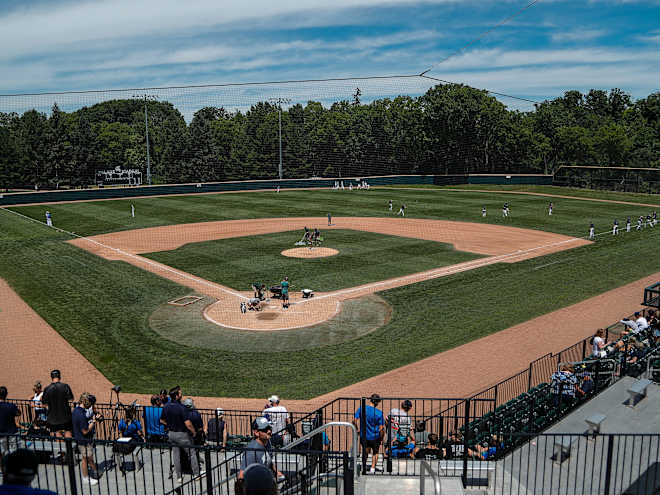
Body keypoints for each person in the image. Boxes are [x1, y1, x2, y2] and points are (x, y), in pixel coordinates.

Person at [159, 386, 200, 483]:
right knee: (192, 454)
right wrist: (194, 432)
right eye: (180, 393)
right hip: (182, 434)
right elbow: (188, 424)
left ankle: (179, 477)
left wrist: (169, 424)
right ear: (176, 396)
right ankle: (196, 475)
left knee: (176, 455)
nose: (181, 394)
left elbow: (161, 420)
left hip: (171, 434)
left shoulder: (166, 406)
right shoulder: (182, 407)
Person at [237, 417, 283, 482]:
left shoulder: (267, 442)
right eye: (265, 429)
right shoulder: (251, 452)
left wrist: (277, 472)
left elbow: (268, 461)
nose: (269, 431)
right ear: (256, 432)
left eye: (269, 428)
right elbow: (241, 476)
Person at [353, 393, 385, 473]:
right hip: (375, 437)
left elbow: (354, 421)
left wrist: (357, 429)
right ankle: (373, 468)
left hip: (364, 436)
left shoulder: (361, 408)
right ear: (377, 402)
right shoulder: (379, 413)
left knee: (365, 452)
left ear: (370, 400)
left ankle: (364, 466)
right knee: (375, 452)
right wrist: (381, 437)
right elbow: (381, 428)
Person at [72, 393, 99, 485]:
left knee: (85, 458)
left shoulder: (76, 410)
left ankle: (89, 475)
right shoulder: (81, 414)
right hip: (84, 440)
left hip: (81, 439)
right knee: (86, 458)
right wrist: (94, 421)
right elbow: (85, 431)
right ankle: (87, 477)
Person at [41, 370, 73, 439]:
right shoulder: (65, 386)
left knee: (57, 434)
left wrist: (50, 410)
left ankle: (61, 450)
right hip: (66, 417)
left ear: (51, 377)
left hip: (53, 418)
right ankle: (69, 449)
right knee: (68, 433)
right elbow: (71, 401)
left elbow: (44, 404)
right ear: (59, 376)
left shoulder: (47, 389)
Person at [0, 387, 20, 463]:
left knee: (3, 453)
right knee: (14, 453)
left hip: (1, 434)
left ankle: (3, 469)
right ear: (6, 394)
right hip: (12, 433)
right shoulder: (11, 406)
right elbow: (18, 413)